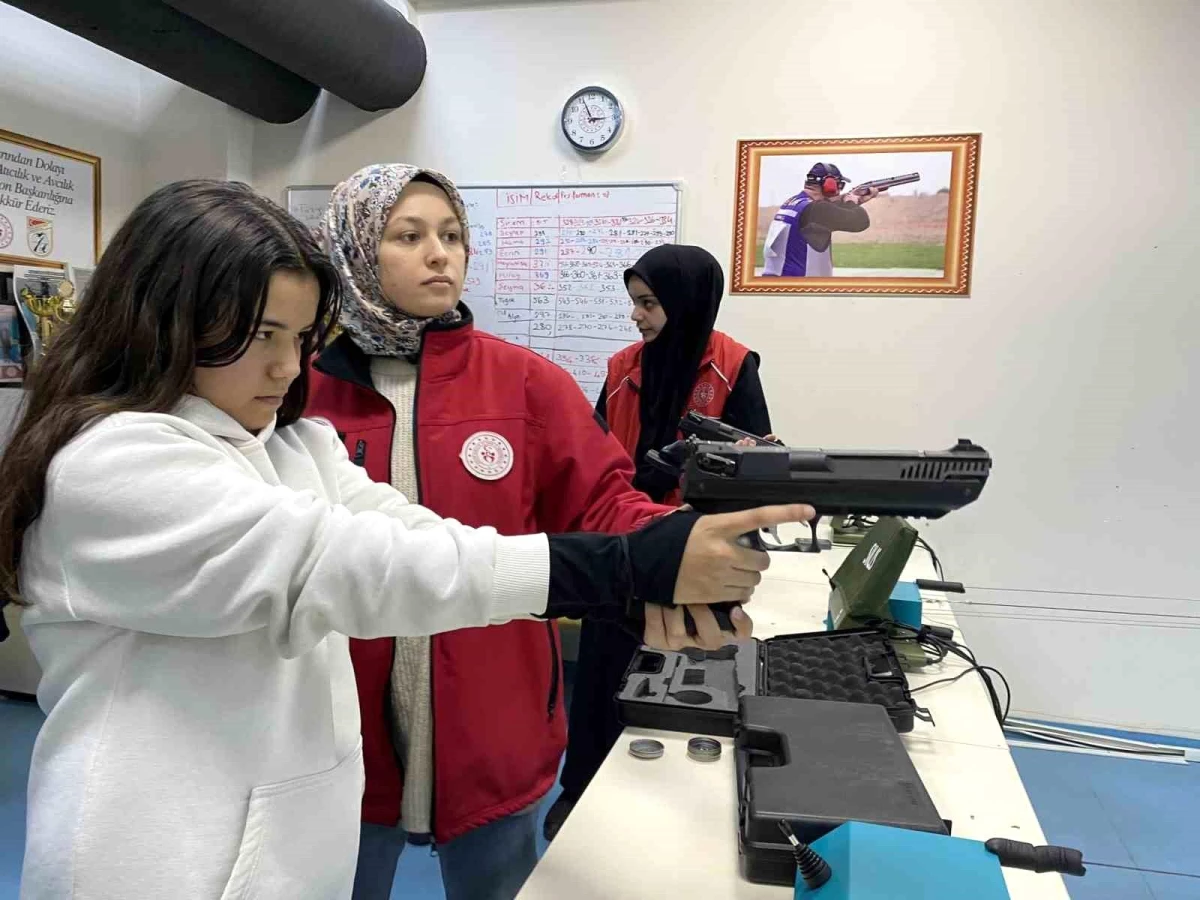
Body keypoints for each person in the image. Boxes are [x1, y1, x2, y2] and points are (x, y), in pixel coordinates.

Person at [0, 179, 810, 900]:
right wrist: (625, 566)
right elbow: (344, 565)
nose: (285, 369)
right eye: (259, 336)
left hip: (297, 832)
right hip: (156, 857)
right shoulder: (112, 461)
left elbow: (417, 532)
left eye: (297, 337)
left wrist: (645, 573)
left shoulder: (292, 444)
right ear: (162, 320)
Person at [309, 164, 728, 900]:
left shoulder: (524, 382)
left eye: (452, 235)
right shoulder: (299, 391)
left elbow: (604, 501)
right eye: (409, 237)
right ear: (352, 250)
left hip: (496, 728)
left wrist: (677, 544)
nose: (441, 254)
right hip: (337, 739)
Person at [546, 243, 773, 839]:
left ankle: (668, 821)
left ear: (683, 301)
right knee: (596, 687)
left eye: (648, 304)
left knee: (683, 699)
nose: (637, 316)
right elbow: (595, 460)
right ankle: (577, 798)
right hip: (620, 554)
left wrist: (689, 474)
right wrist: (642, 477)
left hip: (693, 561)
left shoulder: (732, 364)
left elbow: (757, 469)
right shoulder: (624, 367)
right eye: (634, 303)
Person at [761, 162, 882, 277]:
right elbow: (860, 221)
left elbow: (829, 214)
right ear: (830, 184)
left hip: (777, 281)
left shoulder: (793, 203)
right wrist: (851, 201)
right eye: (840, 185)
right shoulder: (816, 209)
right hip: (800, 286)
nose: (839, 190)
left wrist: (856, 201)